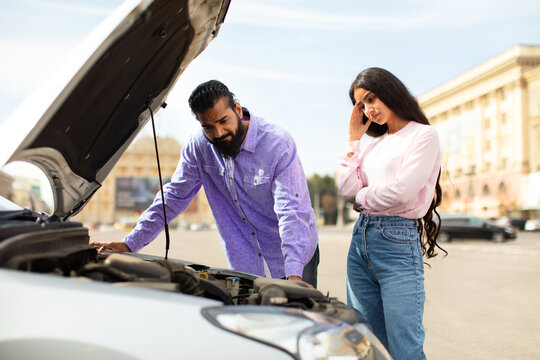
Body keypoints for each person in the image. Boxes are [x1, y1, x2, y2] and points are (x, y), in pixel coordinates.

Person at [90, 80, 319, 287]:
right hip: (245, 265)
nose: (218, 133)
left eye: (223, 121)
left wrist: (294, 277)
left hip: (292, 260)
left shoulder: (277, 144)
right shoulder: (199, 148)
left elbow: (291, 210)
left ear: (237, 110)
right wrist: (130, 244)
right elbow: (173, 198)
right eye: (208, 126)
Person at [337, 67, 446, 359]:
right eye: (361, 105)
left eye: (372, 99)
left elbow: (401, 192)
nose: (368, 110)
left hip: (397, 242)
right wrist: (353, 139)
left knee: (404, 346)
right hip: (360, 243)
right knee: (367, 342)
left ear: (390, 91)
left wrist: (362, 197)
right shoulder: (372, 144)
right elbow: (346, 187)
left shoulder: (423, 136)